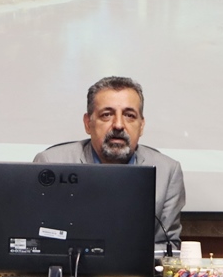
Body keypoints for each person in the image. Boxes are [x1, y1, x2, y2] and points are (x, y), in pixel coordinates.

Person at [33, 76, 185, 247]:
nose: (118, 125)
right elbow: (38, 240)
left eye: (129, 115)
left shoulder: (167, 171)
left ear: (141, 126)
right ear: (88, 123)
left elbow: (168, 247)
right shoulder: (50, 163)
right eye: (106, 115)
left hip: (138, 266)